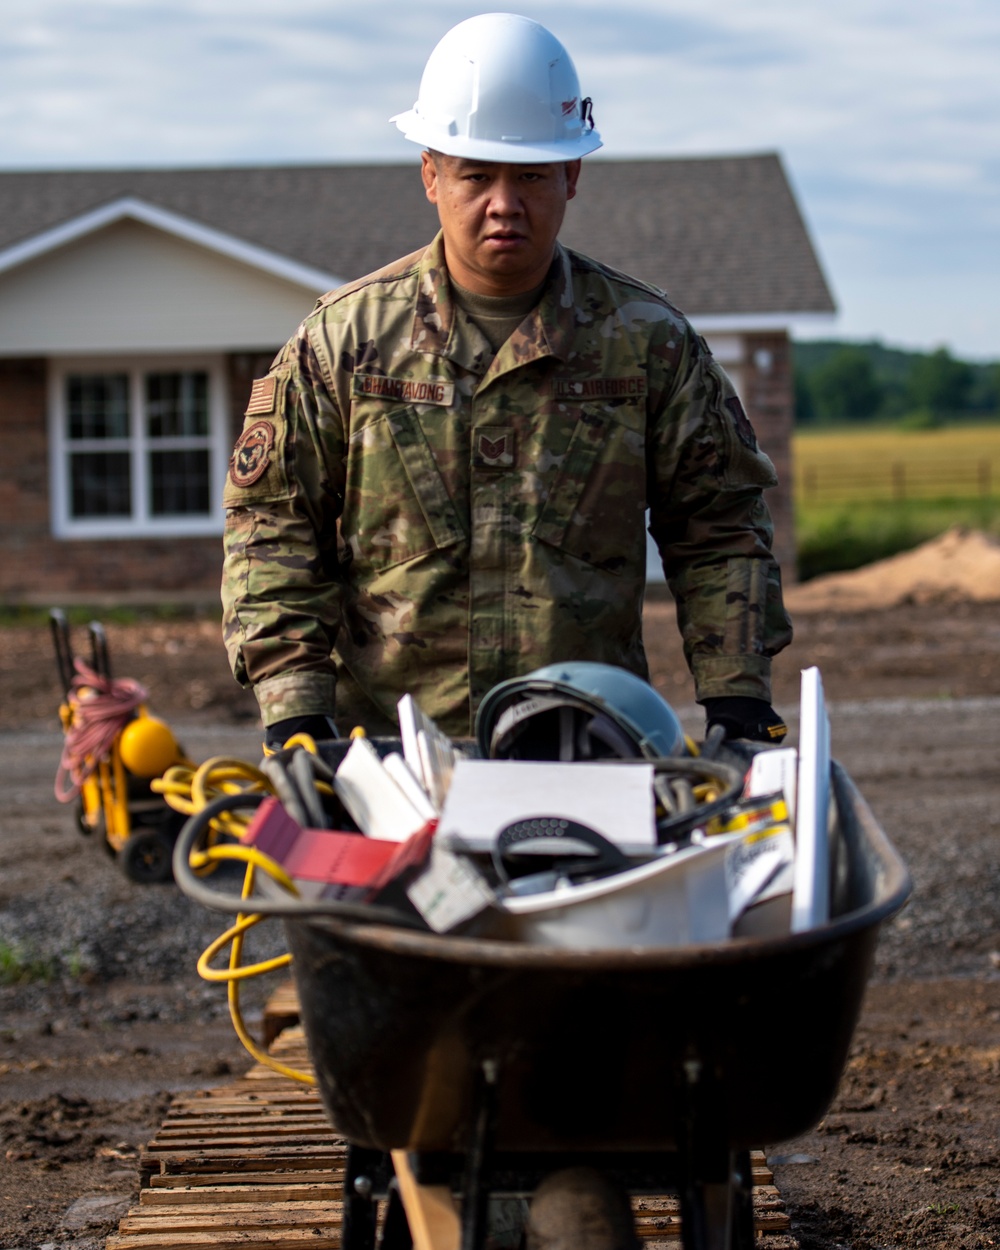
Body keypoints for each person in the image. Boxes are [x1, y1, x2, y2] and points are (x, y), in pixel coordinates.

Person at [221, 12, 793, 752]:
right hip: (392, 757)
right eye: (475, 175)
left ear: (572, 176)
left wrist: (736, 696)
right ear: (431, 174)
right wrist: (296, 711)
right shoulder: (344, 342)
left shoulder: (647, 342)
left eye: (529, 175)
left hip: (586, 739)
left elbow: (719, 530)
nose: (503, 203)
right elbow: (274, 529)